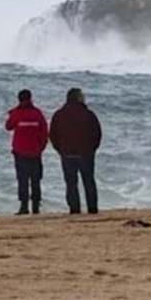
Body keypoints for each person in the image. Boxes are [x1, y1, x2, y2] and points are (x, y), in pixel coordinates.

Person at [49, 87, 102, 215]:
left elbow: (52, 135)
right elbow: (97, 134)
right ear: (79, 98)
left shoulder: (59, 114)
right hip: (85, 153)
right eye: (82, 96)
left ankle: (74, 209)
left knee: (71, 183)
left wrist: (60, 149)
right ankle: (92, 208)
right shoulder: (88, 114)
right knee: (88, 181)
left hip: (67, 153)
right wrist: (92, 149)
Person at [4, 89, 48, 215]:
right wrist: (41, 147)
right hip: (35, 152)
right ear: (31, 98)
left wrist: (12, 113)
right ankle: (36, 207)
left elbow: (8, 126)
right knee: (36, 179)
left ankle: (24, 206)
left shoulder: (17, 113)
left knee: (22, 179)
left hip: (20, 152)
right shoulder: (37, 113)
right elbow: (45, 132)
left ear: (19, 99)